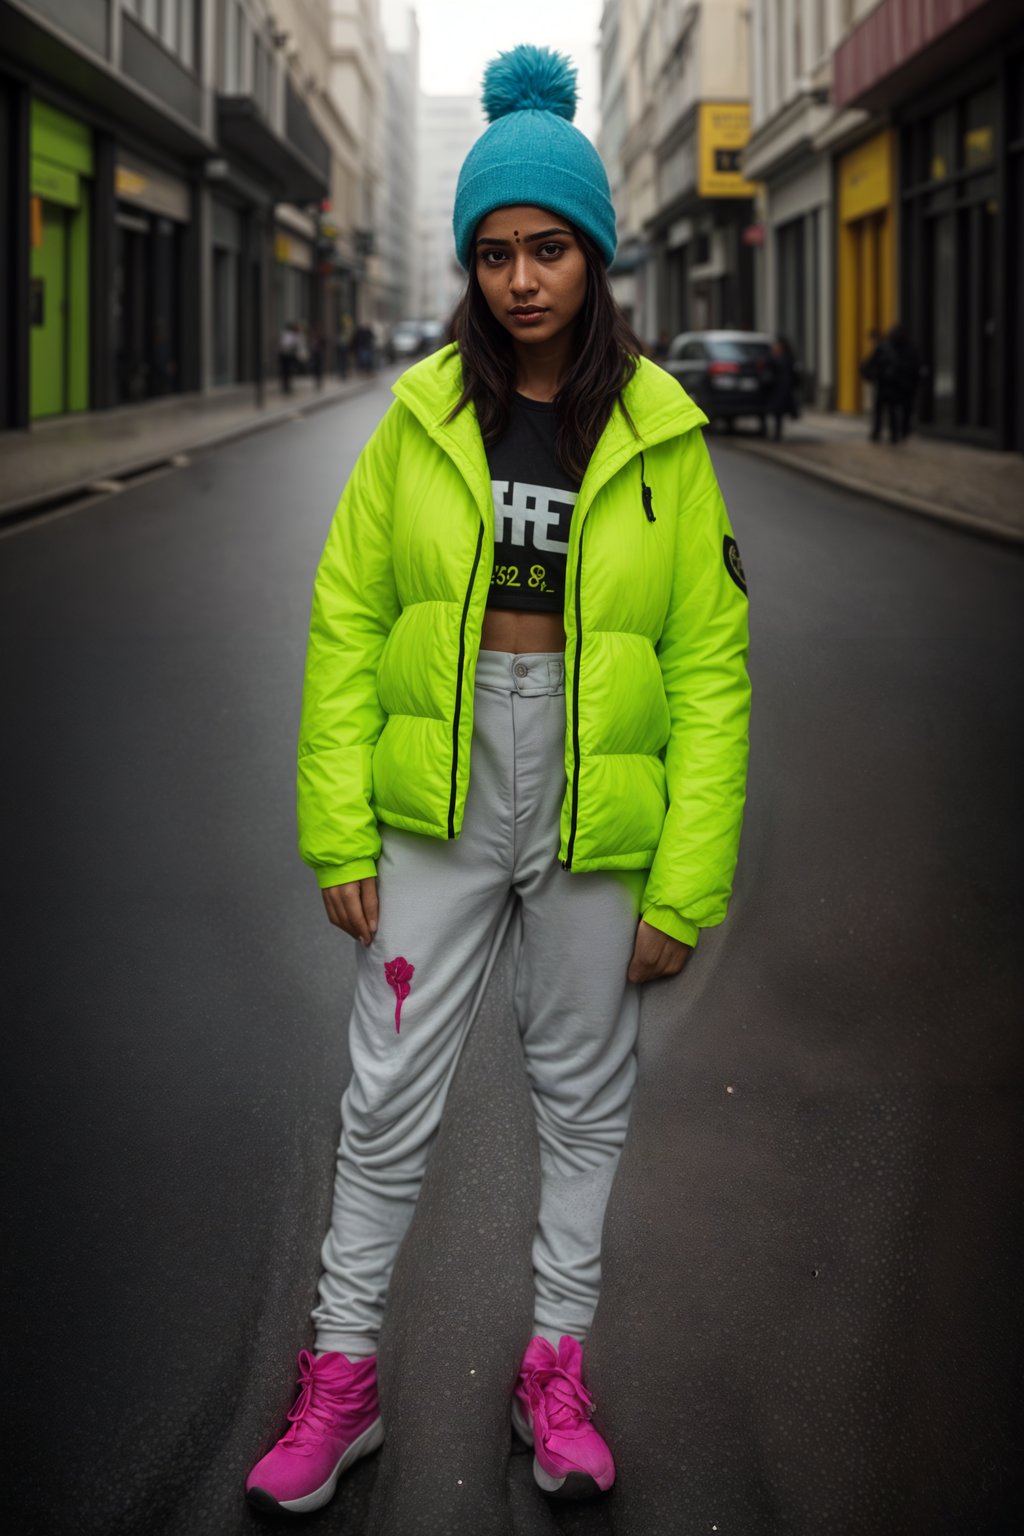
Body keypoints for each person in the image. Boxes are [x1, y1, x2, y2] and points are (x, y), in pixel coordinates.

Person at [245, 44, 751, 1518]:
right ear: (470, 268)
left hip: (602, 807)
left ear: (592, 254)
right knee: (386, 1091)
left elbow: (711, 665)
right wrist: (338, 820)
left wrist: (688, 876)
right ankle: (340, 1382)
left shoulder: (660, 428)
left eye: (546, 249)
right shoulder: (419, 422)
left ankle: (556, 1369)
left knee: (585, 1098)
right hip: (440, 793)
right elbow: (346, 620)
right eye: (493, 254)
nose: (521, 278)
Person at [861, 327, 898, 443]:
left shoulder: (882, 348)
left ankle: (880, 433)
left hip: (885, 384)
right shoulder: (886, 347)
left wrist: (872, 373)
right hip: (887, 383)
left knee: (882, 410)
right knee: (887, 410)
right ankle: (891, 434)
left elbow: (874, 363)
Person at [765, 335, 799, 441]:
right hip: (778, 389)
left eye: (777, 345)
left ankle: (777, 434)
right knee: (777, 413)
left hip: (782, 389)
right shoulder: (782, 356)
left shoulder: (784, 357)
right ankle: (776, 433)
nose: (775, 347)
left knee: (778, 412)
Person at [278, 320, 298, 395]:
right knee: (287, 371)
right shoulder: (290, 335)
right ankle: (286, 386)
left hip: (285, 355)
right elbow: (290, 345)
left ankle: (286, 386)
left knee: (286, 372)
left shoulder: (285, 334)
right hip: (287, 356)